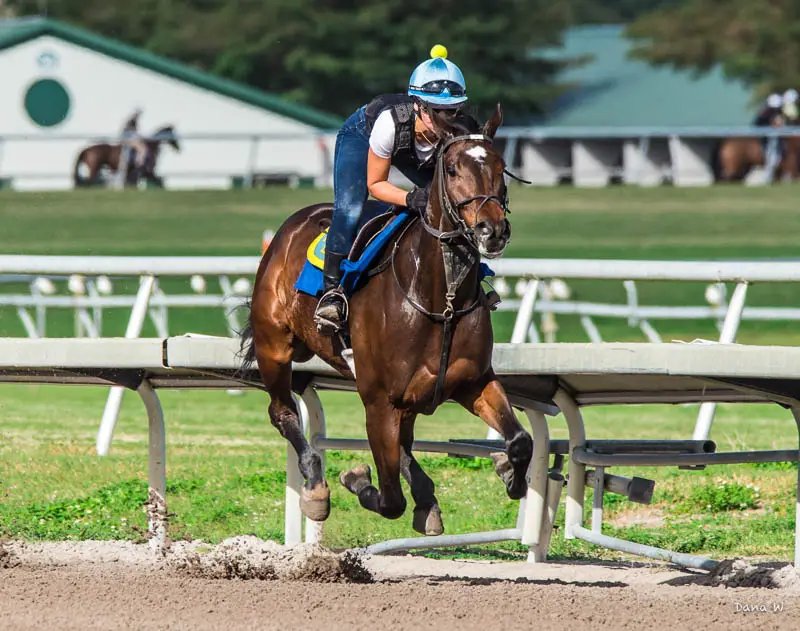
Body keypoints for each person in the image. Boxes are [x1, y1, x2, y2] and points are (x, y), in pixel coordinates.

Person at [313, 45, 471, 334]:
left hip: (410, 144)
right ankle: (332, 292)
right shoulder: (389, 124)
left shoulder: (461, 130)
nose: (447, 120)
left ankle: (471, 283)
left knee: (456, 206)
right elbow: (376, 184)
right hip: (364, 134)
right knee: (350, 209)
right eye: (437, 112)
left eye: (453, 110)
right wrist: (411, 198)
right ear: (418, 106)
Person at [120, 108, 147, 183]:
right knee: (142, 148)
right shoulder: (131, 121)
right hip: (127, 139)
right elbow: (129, 131)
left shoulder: (132, 121)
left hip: (128, 138)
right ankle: (139, 162)